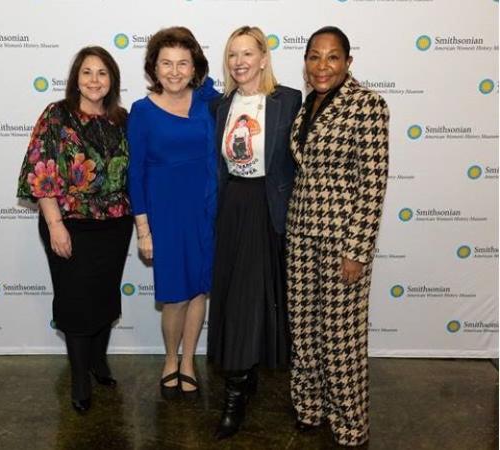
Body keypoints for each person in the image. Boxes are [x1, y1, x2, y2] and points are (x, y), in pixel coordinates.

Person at [286, 26, 389, 446]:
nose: (322, 65)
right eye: (314, 56)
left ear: (348, 62)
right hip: (300, 231)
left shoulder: (368, 105)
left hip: (341, 239)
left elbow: (373, 183)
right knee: (303, 326)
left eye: (332, 57)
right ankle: (311, 407)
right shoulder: (307, 103)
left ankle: (350, 423)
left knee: (341, 334)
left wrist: (357, 250)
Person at [16, 46, 132, 413]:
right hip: (68, 223)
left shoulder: (122, 119)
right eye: (87, 72)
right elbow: (40, 170)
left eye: (102, 73)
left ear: (112, 79)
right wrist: (55, 225)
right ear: (76, 78)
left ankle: (98, 361)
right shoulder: (58, 115)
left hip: (115, 224)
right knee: (76, 301)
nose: (94, 80)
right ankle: (80, 376)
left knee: (104, 297)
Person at [207, 26, 302, 439]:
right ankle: (237, 388)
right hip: (233, 208)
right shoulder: (219, 105)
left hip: (271, 209)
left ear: (264, 58)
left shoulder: (289, 101)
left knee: (262, 299)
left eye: (248, 53)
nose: (240, 61)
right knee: (237, 300)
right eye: (232, 55)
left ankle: (241, 385)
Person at [127, 27, 218, 399]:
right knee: (176, 295)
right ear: (154, 67)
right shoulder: (142, 111)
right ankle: (169, 359)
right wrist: (143, 230)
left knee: (199, 291)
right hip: (165, 216)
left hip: (208, 210)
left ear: (194, 65)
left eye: (183, 62)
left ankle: (189, 362)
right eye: (166, 63)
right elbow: (136, 173)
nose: (175, 71)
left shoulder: (209, 100)